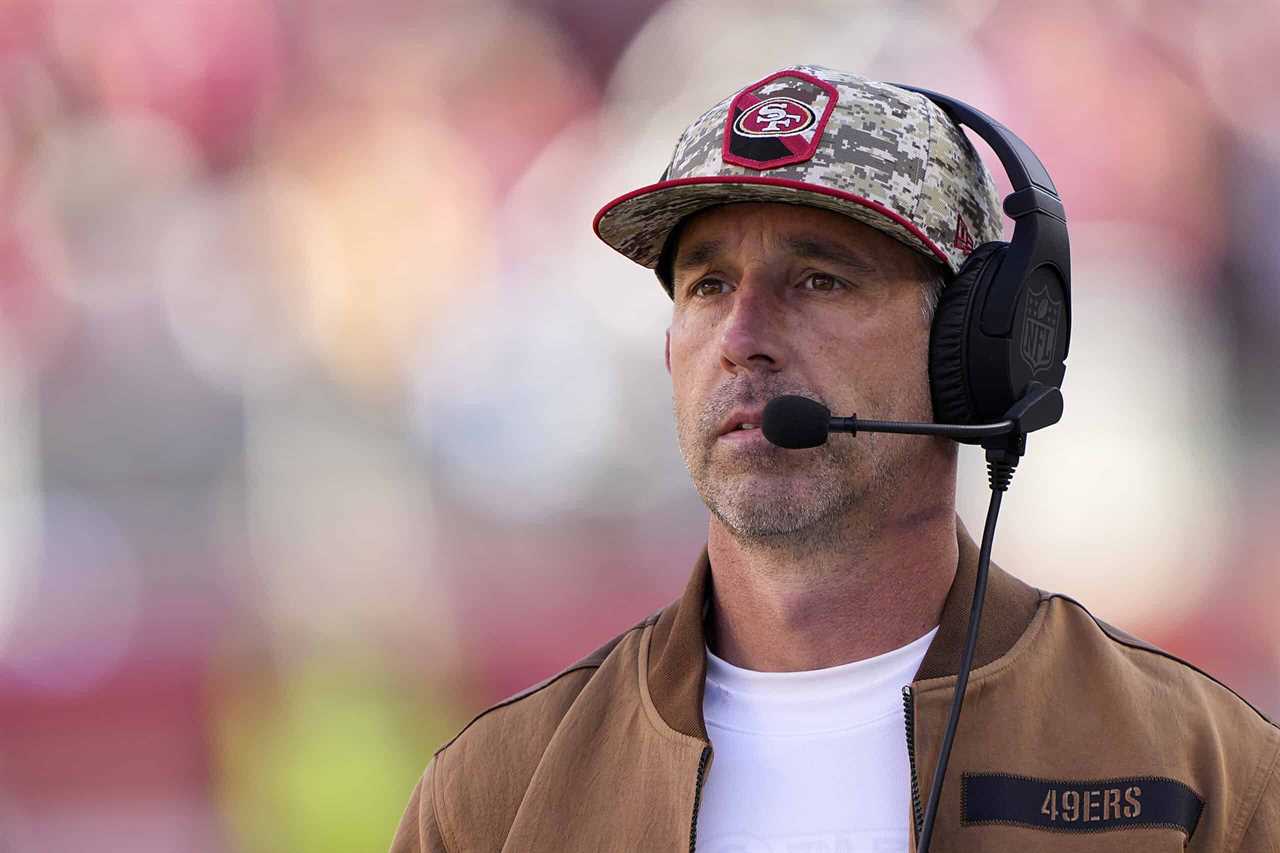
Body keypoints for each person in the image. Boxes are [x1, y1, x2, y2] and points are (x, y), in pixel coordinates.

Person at [389, 65, 1279, 852]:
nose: (741, 339)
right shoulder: (495, 798)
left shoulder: (1200, 777)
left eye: (820, 279)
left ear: (974, 353)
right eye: (708, 284)